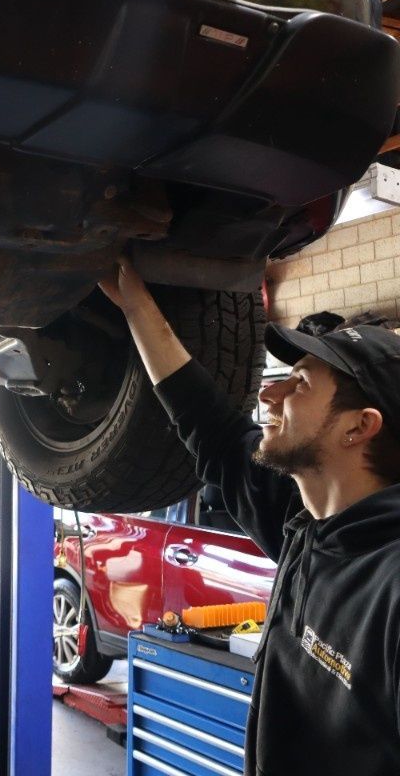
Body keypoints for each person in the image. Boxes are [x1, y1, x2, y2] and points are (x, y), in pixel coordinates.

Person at [100, 257, 400, 775]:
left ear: (358, 427)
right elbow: (209, 426)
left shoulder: (391, 585)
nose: (269, 393)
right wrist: (135, 307)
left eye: (299, 385)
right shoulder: (306, 526)